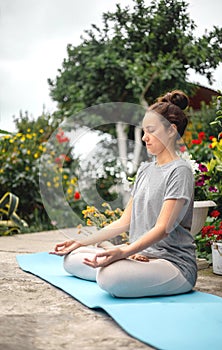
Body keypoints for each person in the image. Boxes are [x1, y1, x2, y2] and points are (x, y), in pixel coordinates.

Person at [50, 90, 197, 298]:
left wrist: (124, 252)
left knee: (109, 276)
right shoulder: (146, 169)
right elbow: (124, 221)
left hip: (172, 264)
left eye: (151, 131)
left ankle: (123, 264)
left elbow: (163, 228)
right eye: (144, 131)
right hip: (139, 257)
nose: (144, 137)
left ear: (172, 130)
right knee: (72, 257)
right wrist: (81, 242)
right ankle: (125, 263)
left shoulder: (179, 171)